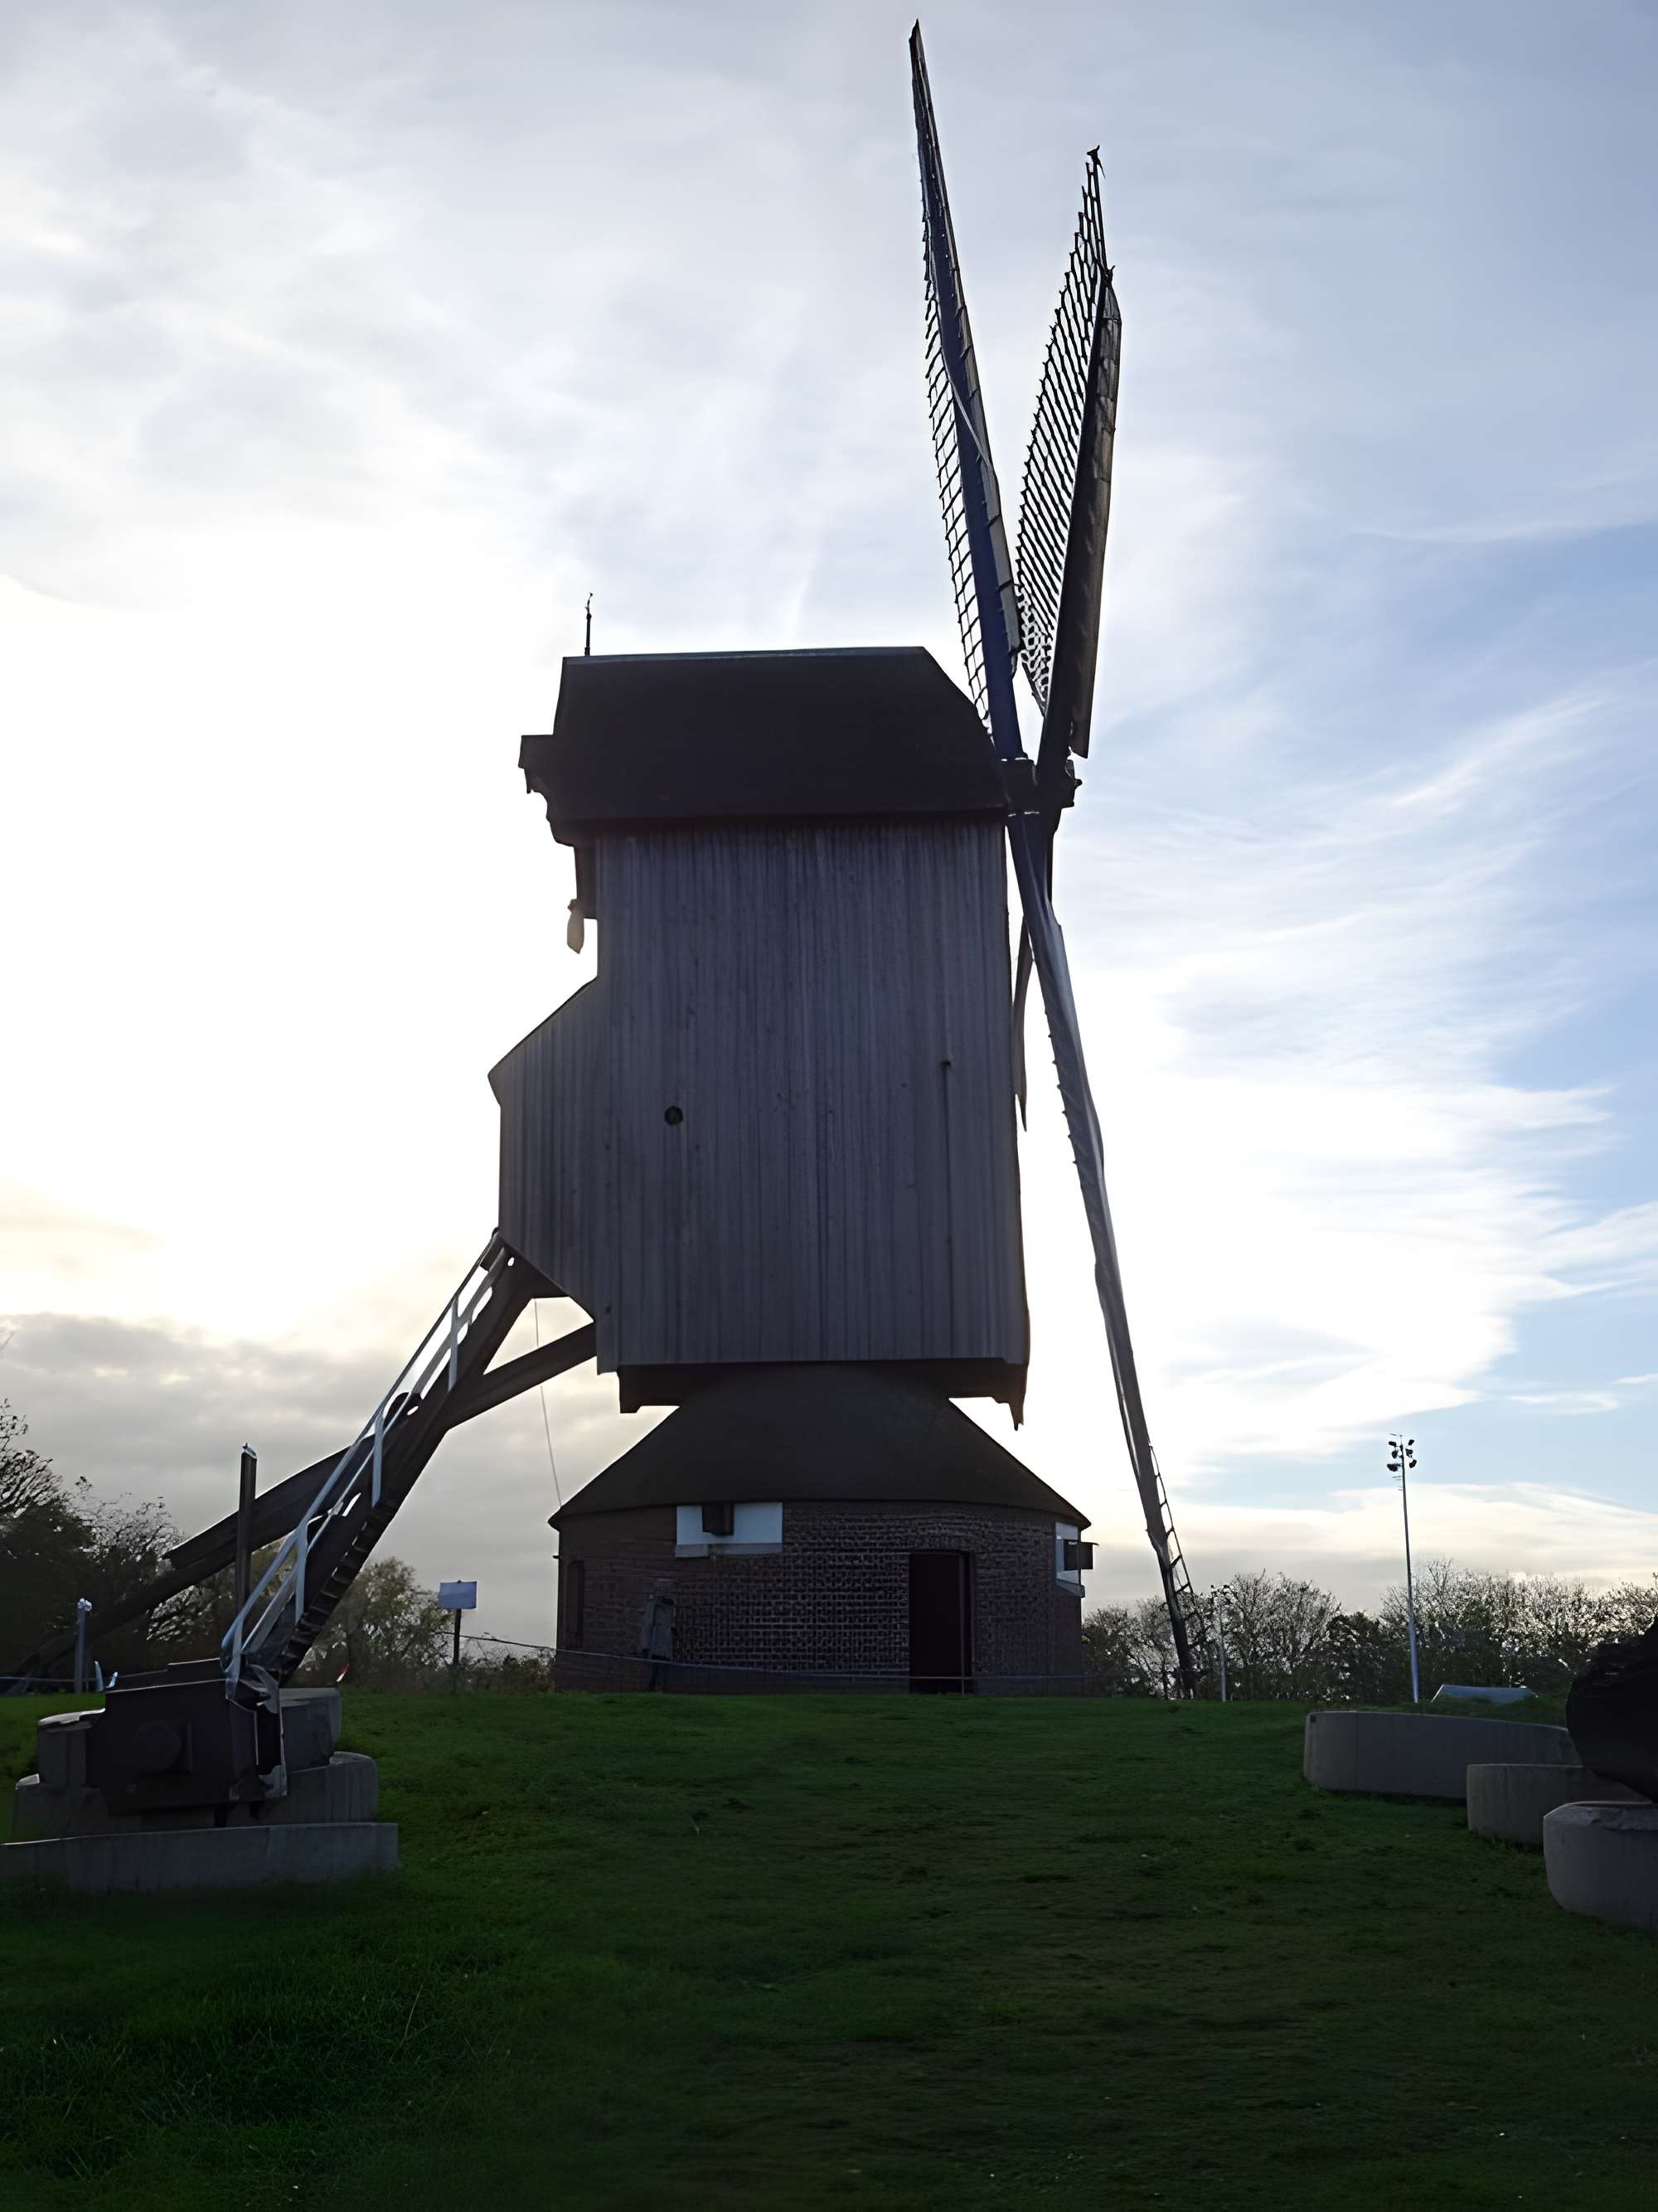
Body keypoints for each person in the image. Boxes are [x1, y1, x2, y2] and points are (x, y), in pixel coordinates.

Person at [638, 1578, 676, 1691]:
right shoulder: (654, 1606)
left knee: (665, 1668)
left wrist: (673, 1629)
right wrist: (645, 1646)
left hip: (665, 1643)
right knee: (655, 1669)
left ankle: (665, 1689)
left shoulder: (671, 1606)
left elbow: (671, 1622)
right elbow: (647, 1625)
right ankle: (652, 1688)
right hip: (655, 1643)